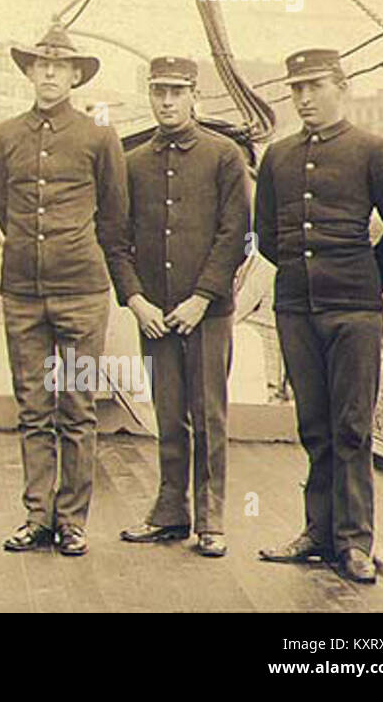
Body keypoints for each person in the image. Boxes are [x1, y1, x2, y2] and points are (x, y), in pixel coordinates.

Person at [254, 48, 383, 584]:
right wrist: (306, 279)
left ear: (341, 86)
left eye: (315, 86)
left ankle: (352, 543)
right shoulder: (277, 157)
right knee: (314, 426)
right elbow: (267, 237)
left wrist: (365, 281)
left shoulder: (373, 151)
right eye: (296, 88)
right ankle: (317, 532)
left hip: (354, 313)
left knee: (351, 427)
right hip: (296, 309)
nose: (304, 98)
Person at [0, 20, 129, 557]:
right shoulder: (5, 135)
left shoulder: (98, 136)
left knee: (76, 406)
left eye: (59, 67)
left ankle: (71, 520)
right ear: (29, 72)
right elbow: (2, 206)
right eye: (40, 66)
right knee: (31, 408)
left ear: (75, 76)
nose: (48, 74)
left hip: (81, 292)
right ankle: (36, 517)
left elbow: (115, 217)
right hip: (22, 291)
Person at [110, 56, 250, 558]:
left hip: (206, 314)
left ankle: (211, 521)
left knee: (208, 415)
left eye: (176, 91)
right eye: (158, 91)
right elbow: (116, 240)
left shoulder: (224, 156)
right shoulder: (133, 163)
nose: (166, 101)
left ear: (194, 95)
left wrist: (202, 297)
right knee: (168, 414)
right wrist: (135, 299)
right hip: (155, 315)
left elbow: (236, 234)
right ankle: (171, 511)